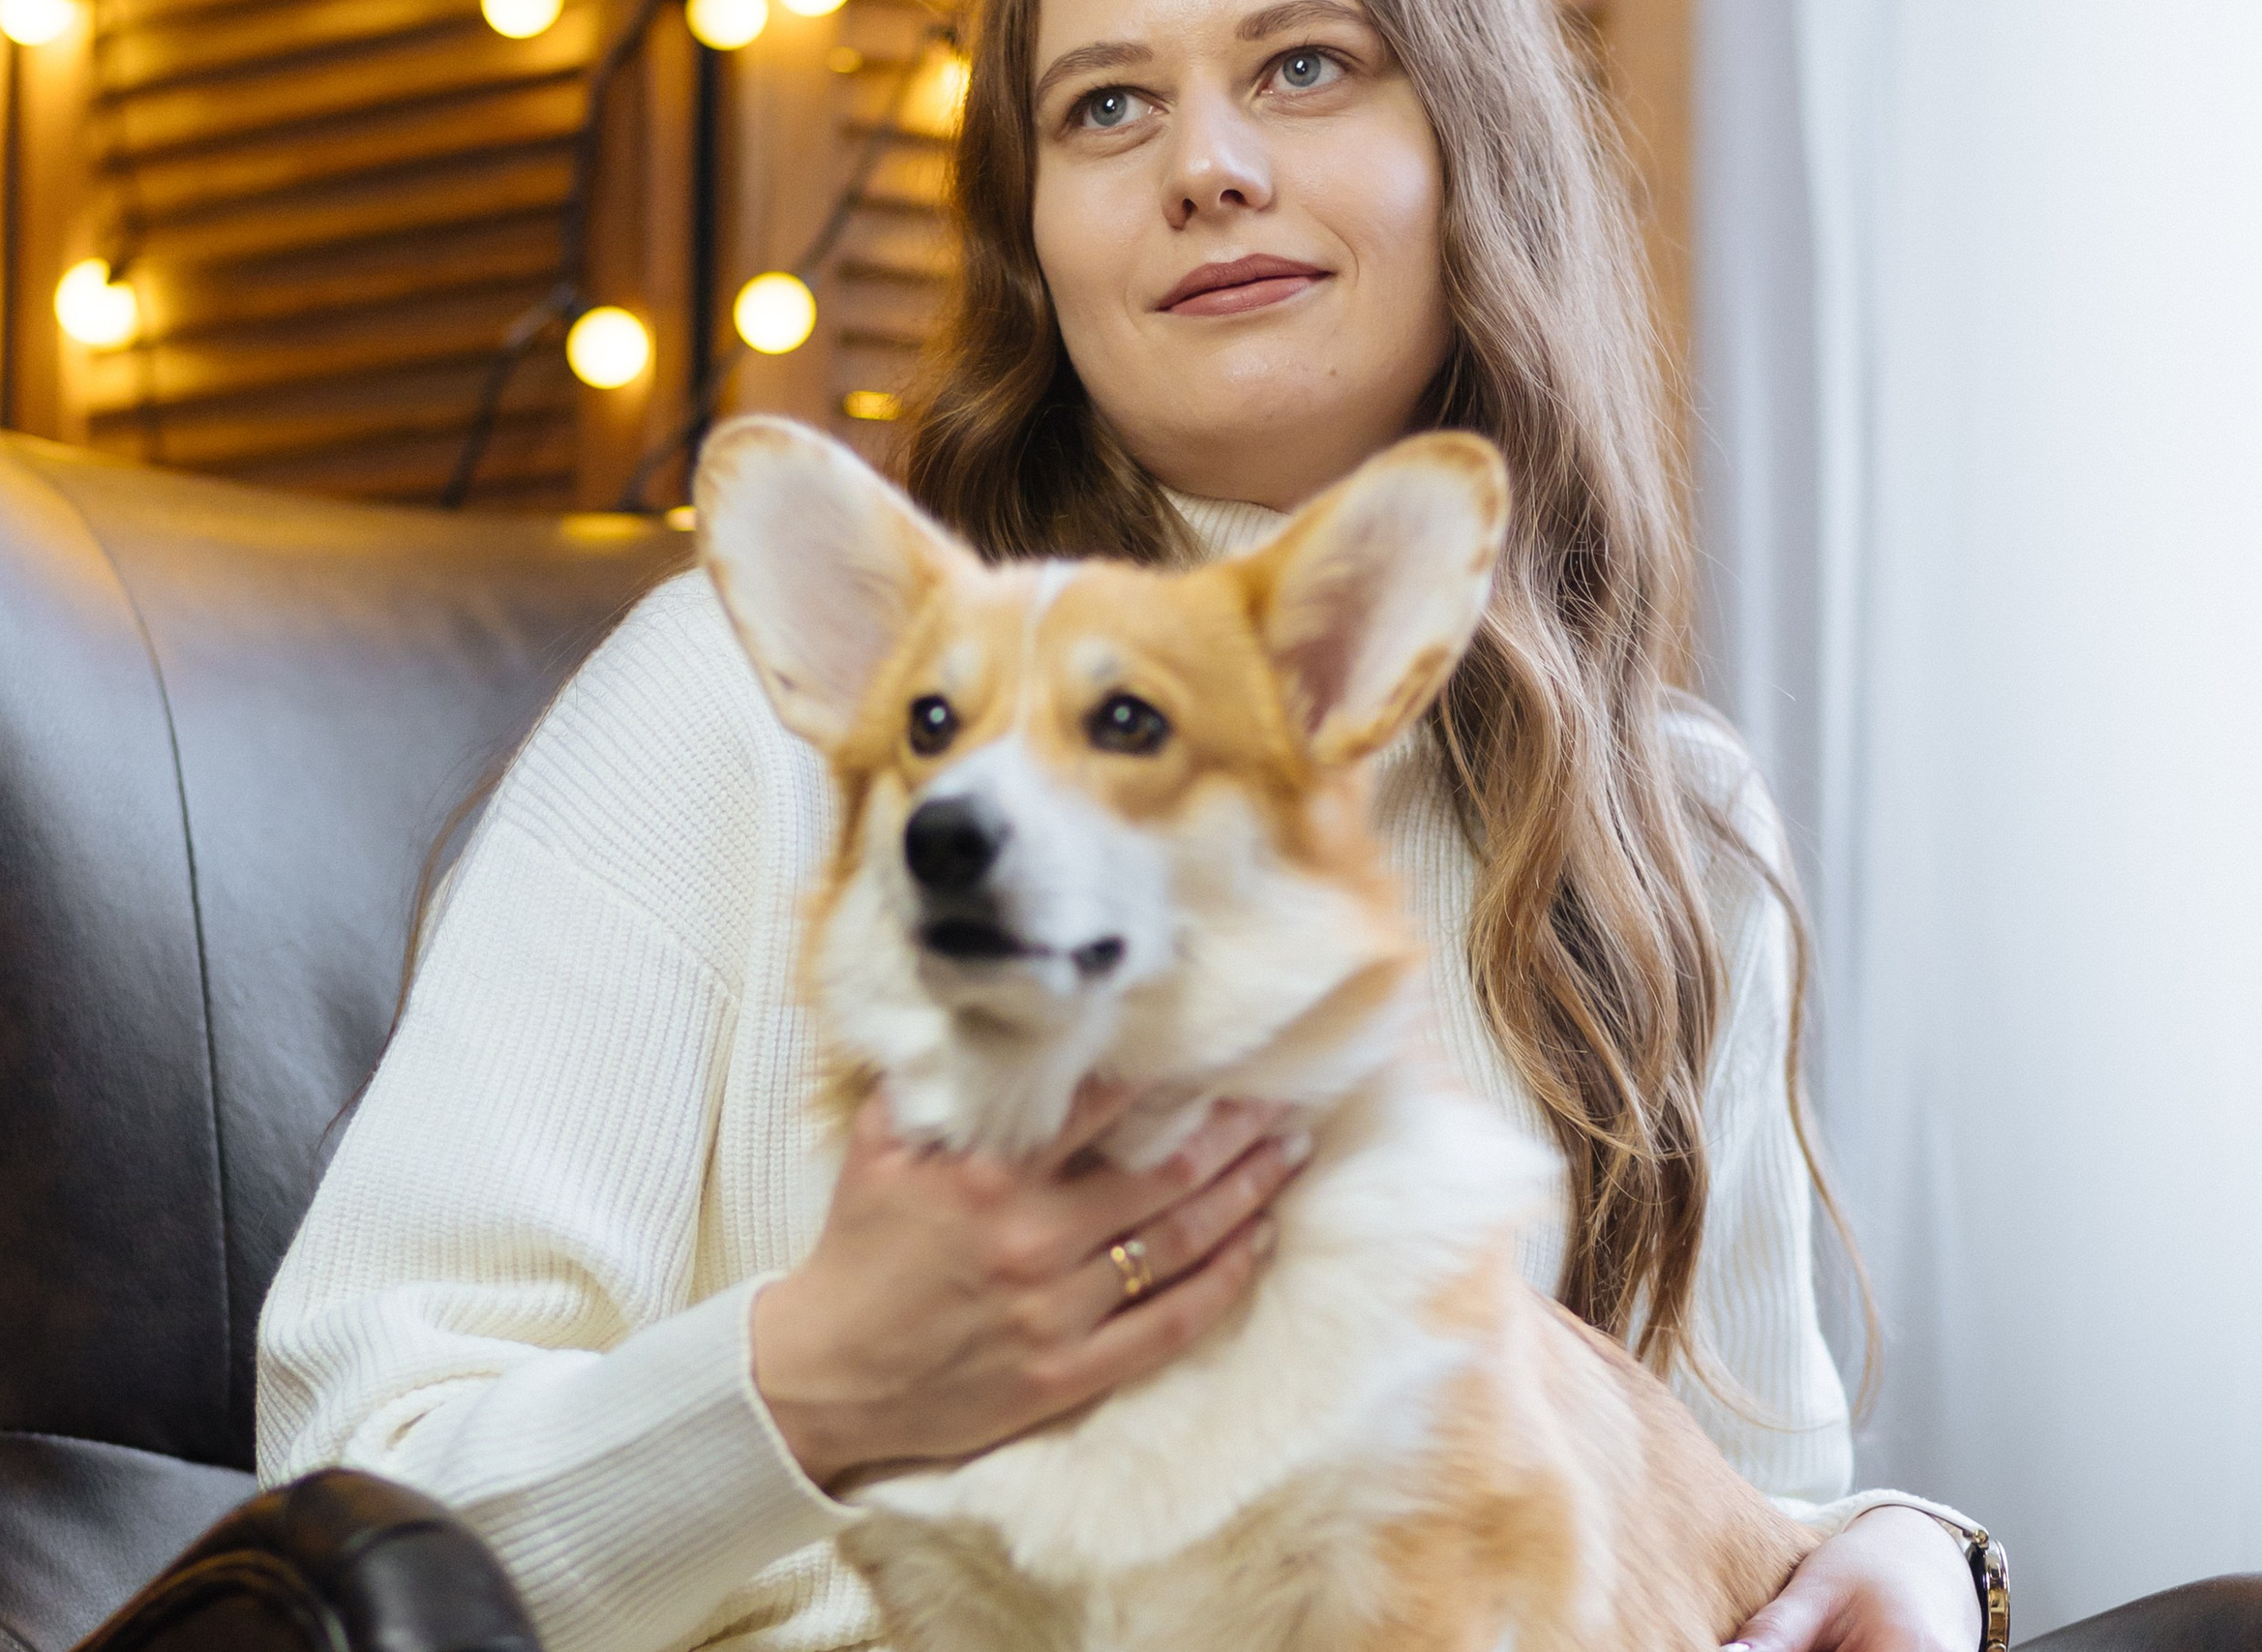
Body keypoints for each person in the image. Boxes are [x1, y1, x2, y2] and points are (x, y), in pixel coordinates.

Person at [256, 0, 1994, 1648]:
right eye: (1106, 103)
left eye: (1306, 63)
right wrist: (830, 1377)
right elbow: (345, 1510)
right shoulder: (736, 704)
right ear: (1035, 239)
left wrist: (1914, 1557)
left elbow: (1736, 1509)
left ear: (1479, 142)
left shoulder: (1664, 816)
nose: (1206, 165)